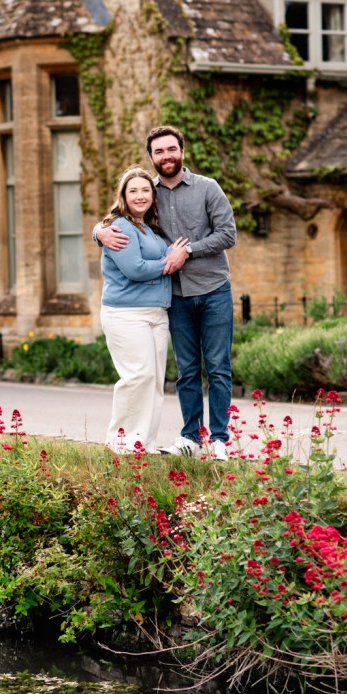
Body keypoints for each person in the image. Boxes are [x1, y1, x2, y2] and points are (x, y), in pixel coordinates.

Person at [96, 126, 237, 460]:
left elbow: (227, 234)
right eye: (159, 152)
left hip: (214, 288)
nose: (166, 156)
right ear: (151, 157)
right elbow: (122, 218)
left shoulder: (207, 188)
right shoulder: (149, 192)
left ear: (182, 151)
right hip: (175, 297)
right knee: (186, 371)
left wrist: (187, 252)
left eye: (171, 149)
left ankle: (219, 439)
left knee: (217, 367)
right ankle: (190, 437)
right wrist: (99, 231)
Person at [99, 165, 188, 454]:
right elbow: (134, 269)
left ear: (153, 195)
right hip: (127, 314)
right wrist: (169, 263)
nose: (140, 196)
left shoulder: (150, 228)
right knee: (137, 377)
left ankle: (144, 443)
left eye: (145, 190)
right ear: (123, 195)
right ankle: (121, 442)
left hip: (156, 314)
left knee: (153, 381)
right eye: (133, 190)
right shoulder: (120, 226)